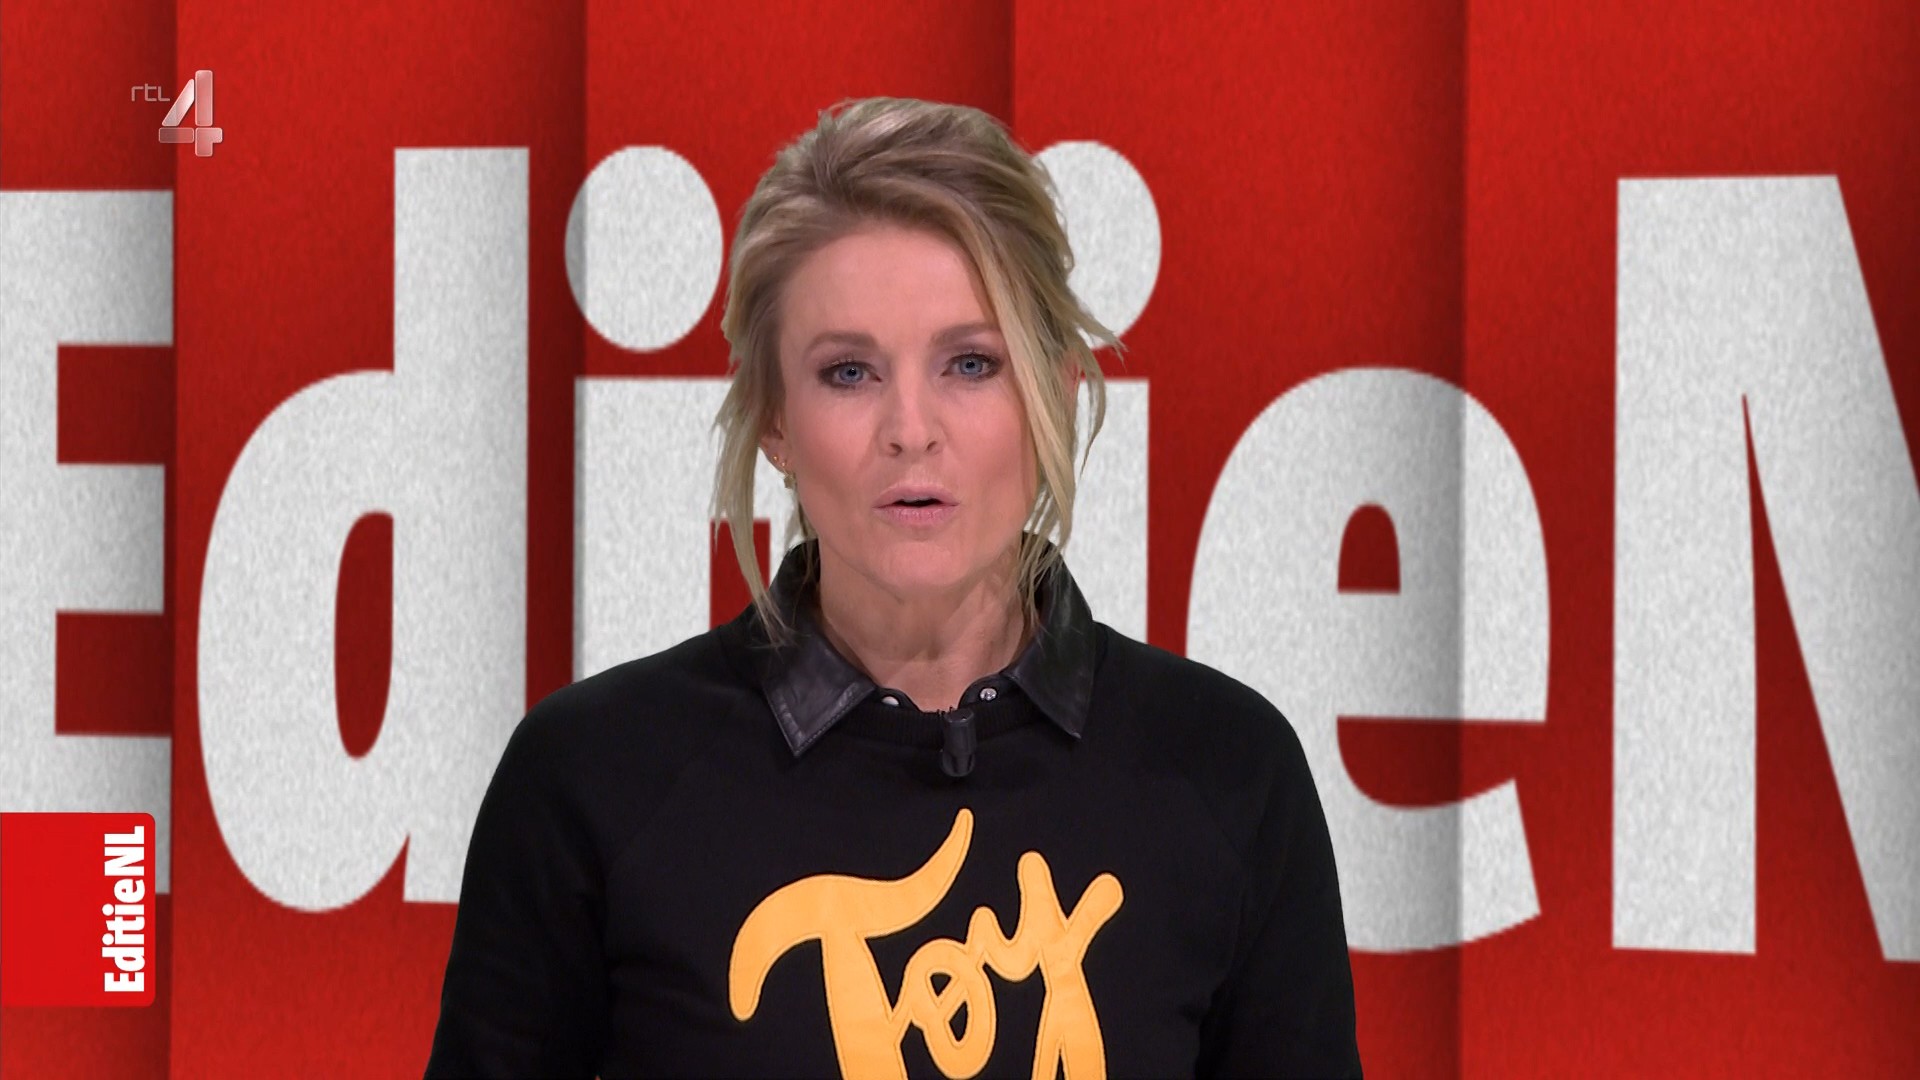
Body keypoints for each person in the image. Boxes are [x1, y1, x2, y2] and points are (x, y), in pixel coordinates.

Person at [425, 96, 1360, 1079]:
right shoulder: (591, 780)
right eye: (849, 373)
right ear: (774, 421)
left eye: (971, 363)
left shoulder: (1230, 773)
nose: (911, 430)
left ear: (1057, 394)